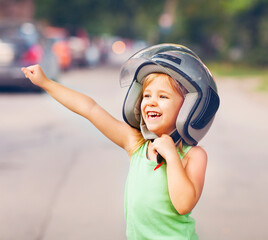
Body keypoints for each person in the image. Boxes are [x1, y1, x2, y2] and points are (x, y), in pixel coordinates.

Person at [21, 43, 220, 240]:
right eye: (147, 95)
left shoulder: (193, 156)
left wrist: (171, 156)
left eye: (163, 96)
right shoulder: (137, 144)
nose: (151, 101)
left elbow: (183, 204)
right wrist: (46, 83)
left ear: (190, 108)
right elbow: (90, 109)